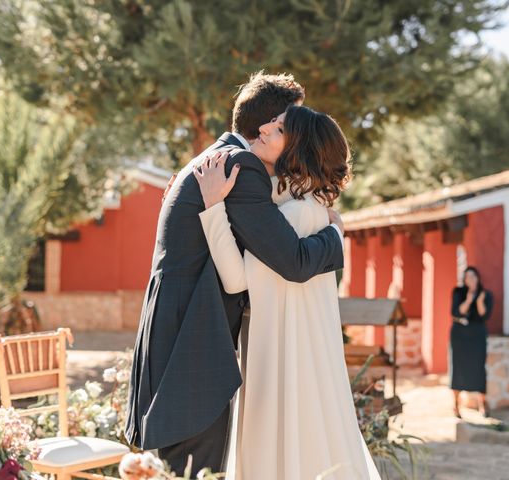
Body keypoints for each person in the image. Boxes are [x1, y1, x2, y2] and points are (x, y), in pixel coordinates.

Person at [124, 73, 346, 476]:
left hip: (181, 328)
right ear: (269, 125)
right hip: (193, 339)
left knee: (189, 463)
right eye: (288, 123)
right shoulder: (239, 166)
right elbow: (292, 261)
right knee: (195, 465)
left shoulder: (222, 160)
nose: (290, 133)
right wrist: (336, 236)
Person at [195, 105, 381, 479]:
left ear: (297, 149)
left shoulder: (295, 216)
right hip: (294, 354)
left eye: (277, 128)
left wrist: (212, 206)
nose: (263, 129)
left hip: (279, 357)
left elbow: (236, 280)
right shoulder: (312, 210)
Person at [450, 266, 493, 418]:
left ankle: (482, 404)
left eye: (473, 276)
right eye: (467, 277)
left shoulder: (485, 294)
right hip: (460, 335)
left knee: (479, 368)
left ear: (478, 277)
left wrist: (479, 300)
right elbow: (456, 311)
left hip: (477, 335)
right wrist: (469, 299)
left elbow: (484, 315)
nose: (471, 280)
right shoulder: (458, 292)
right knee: (459, 368)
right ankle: (456, 404)